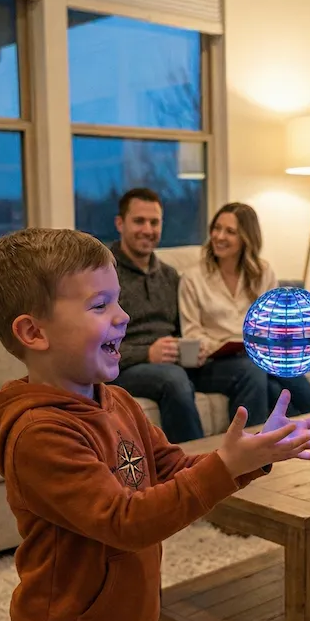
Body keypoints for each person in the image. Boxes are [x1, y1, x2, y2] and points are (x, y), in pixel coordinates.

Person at [0, 228, 310, 621]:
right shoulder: (38, 435)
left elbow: (172, 469)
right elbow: (126, 521)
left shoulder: (117, 401)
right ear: (33, 331)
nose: (122, 317)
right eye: (100, 305)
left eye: (118, 300)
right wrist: (225, 467)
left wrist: (250, 456)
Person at [180, 202, 310, 427]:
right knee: (256, 368)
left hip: (257, 356)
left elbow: (275, 323)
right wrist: (220, 345)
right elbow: (191, 332)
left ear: (246, 238)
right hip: (213, 363)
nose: (219, 236)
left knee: (280, 373)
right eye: (217, 228)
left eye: (230, 231)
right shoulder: (193, 278)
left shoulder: (262, 273)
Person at [108, 187, 205, 443]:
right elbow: (95, 344)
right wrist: (147, 353)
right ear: (120, 223)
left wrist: (197, 347)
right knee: (173, 379)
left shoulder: (169, 275)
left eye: (154, 222)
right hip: (123, 368)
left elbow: (183, 330)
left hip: (172, 363)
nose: (148, 229)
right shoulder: (105, 273)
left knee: (248, 371)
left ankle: (258, 453)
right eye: (139, 221)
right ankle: (194, 462)